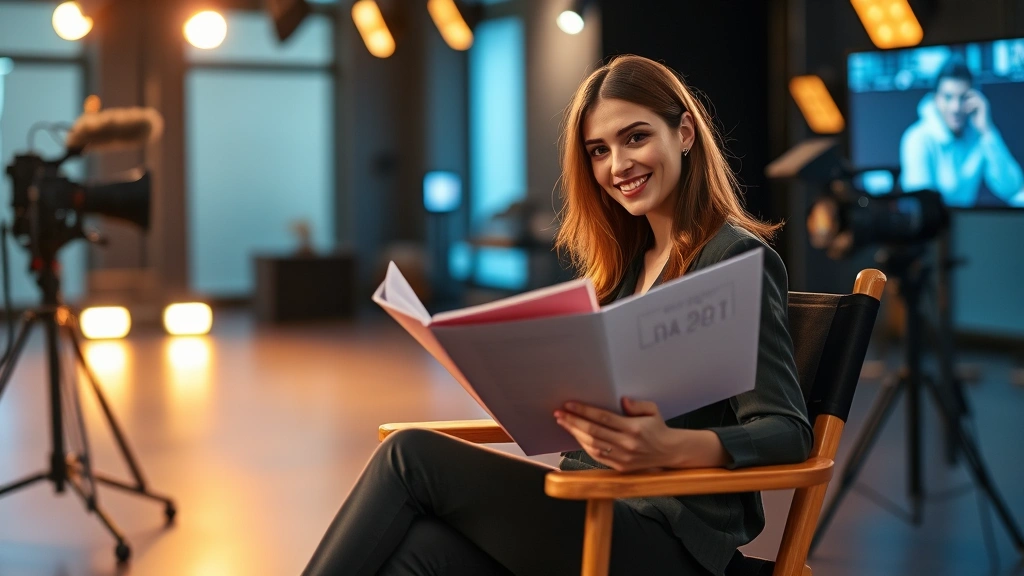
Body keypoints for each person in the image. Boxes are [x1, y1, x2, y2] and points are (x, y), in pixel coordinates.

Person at [302, 54, 812, 576]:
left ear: (684, 132)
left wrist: (670, 445)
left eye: (635, 137)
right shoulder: (623, 269)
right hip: (589, 505)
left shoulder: (734, 258)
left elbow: (788, 433)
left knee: (409, 457)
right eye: (599, 151)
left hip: (664, 538)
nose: (618, 166)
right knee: (417, 554)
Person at [899, 56, 1024, 207]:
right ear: (935, 98)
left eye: (963, 98)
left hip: (967, 225)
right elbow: (921, 207)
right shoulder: (917, 138)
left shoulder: (977, 135)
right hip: (938, 228)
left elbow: (1013, 189)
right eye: (948, 97)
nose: (956, 107)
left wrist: (987, 130)